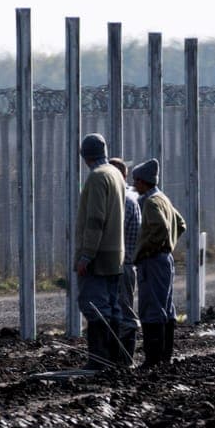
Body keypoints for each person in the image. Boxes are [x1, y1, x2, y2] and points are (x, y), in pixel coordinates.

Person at [75, 133, 125, 370]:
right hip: (116, 253)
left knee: (94, 306)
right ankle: (115, 358)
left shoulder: (96, 177)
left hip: (99, 255)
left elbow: (95, 220)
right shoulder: (116, 173)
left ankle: (99, 359)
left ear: (84, 156)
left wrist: (86, 255)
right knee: (113, 307)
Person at [131, 158, 186, 368]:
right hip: (165, 259)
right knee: (166, 307)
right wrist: (169, 245)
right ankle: (165, 356)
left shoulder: (151, 202)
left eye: (136, 180)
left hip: (153, 261)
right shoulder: (163, 198)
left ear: (143, 181)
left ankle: (153, 359)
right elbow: (180, 224)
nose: (134, 185)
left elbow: (161, 229)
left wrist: (147, 249)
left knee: (151, 308)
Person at [109, 157, 141, 366]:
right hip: (127, 264)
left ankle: (124, 360)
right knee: (122, 310)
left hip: (121, 265)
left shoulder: (124, 201)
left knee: (123, 313)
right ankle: (121, 359)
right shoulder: (132, 197)